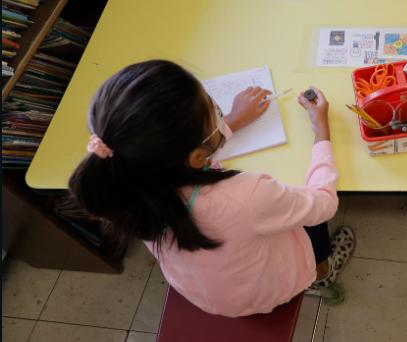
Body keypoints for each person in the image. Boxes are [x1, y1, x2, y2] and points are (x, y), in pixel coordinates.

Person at [69, 60, 354, 317]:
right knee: (309, 214)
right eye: (212, 108)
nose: (218, 112)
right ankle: (322, 273)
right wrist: (321, 132)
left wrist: (230, 123)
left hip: (207, 294)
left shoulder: (130, 183)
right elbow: (325, 203)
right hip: (264, 292)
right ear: (195, 157)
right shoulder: (248, 194)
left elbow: (186, 159)